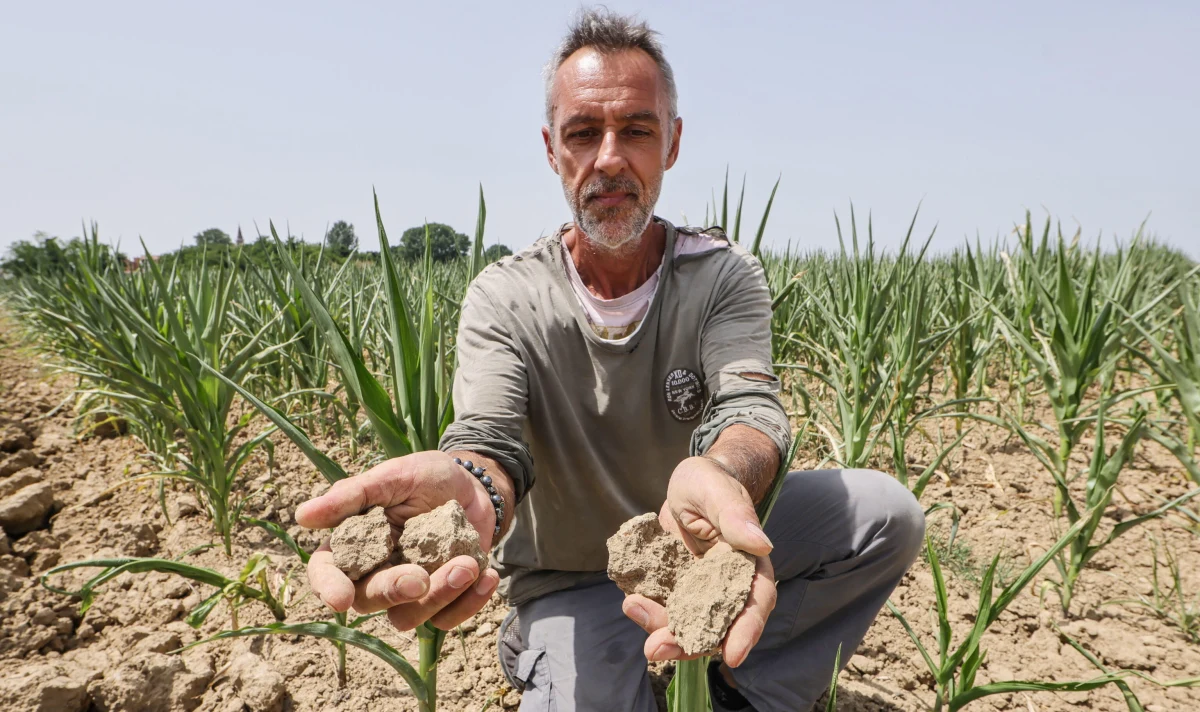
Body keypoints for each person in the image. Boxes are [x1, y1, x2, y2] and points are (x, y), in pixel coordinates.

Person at [296, 8, 924, 711]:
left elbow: (750, 408)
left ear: (673, 143)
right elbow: (490, 443)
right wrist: (470, 486)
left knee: (882, 515)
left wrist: (720, 474)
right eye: (584, 133)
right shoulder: (506, 297)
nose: (610, 159)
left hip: (697, 545)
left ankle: (737, 689)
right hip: (572, 578)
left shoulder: (721, 276)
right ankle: (544, 647)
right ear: (551, 148)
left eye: (637, 129)